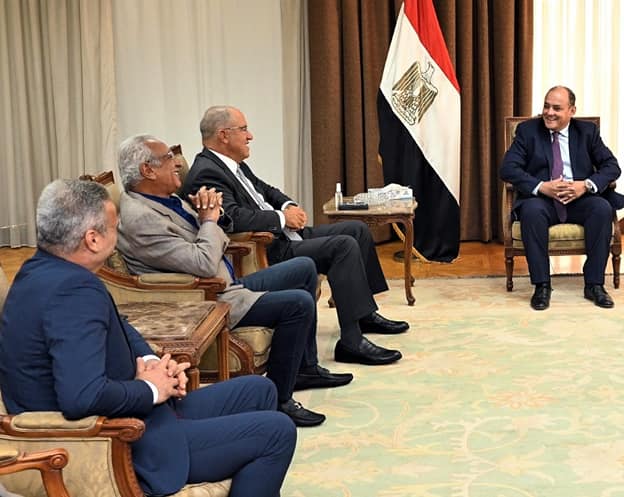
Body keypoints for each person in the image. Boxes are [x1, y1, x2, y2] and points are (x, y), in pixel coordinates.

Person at [0, 179, 297, 497]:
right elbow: (82, 397)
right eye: (114, 226)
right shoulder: (72, 291)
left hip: (137, 417)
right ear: (93, 239)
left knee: (260, 390)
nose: (118, 232)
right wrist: (152, 389)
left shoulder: (40, 271)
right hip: (120, 445)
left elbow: (120, 325)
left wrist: (153, 362)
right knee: (276, 432)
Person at [115, 134, 396, 427]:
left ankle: (305, 368)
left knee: (304, 267)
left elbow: (217, 239)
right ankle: (279, 400)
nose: (176, 164)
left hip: (228, 281)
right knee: (298, 304)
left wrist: (212, 218)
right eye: (168, 159)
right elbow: (204, 262)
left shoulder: (168, 200)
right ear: (147, 170)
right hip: (209, 297)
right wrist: (208, 220)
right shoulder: (142, 218)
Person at [181, 105, 410, 338]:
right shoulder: (206, 172)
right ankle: (352, 339)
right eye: (243, 129)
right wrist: (282, 219)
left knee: (357, 230)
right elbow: (234, 218)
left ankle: (365, 315)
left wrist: (288, 206)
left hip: (285, 235)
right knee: (343, 246)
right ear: (223, 135)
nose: (250, 136)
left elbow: (266, 190)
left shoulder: (231, 164)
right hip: (269, 247)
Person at [500, 86, 624, 311]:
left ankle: (594, 285)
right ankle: (542, 286)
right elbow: (508, 168)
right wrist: (542, 187)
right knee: (531, 211)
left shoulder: (587, 132)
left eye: (557, 108)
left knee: (601, 208)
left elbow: (611, 166)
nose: (549, 112)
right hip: (543, 200)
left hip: (579, 199)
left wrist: (585, 185)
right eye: (546, 106)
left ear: (571, 111)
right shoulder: (527, 131)